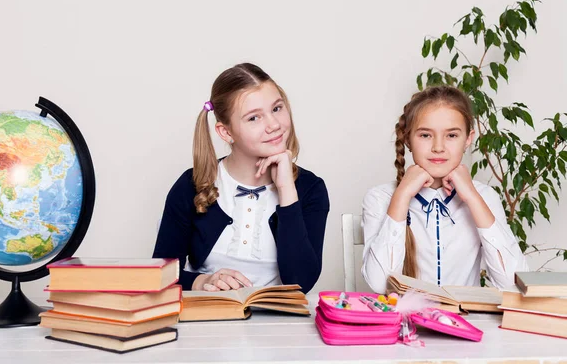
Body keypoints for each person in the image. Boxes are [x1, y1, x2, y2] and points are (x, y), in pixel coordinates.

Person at [153, 63, 329, 293]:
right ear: (226, 132)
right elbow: (159, 275)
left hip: (278, 325)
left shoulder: (310, 189)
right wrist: (201, 282)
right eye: (254, 118)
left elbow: (301, 282)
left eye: (276, 109)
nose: (274, 125)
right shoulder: (191, 185)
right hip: (206, 320)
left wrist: (286, 189)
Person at [361, 85, 528, 293]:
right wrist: (402, 196)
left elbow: (512, 284)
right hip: (404, 323)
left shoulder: (485, 197)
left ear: (468, 138)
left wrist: (472, 198)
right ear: (407, 138)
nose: (438, 147)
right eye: (425, 135)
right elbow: (379, 285)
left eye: (451, 135)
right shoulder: (380, 198)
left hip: (468, 321)